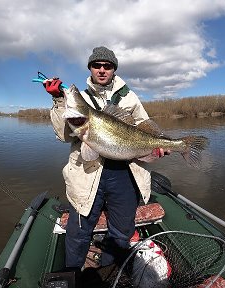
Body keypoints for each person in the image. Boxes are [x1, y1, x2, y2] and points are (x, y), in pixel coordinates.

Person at [43, 46, 168, 273]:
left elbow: (146, 128)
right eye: (96, 65)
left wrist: (158, 147)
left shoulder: (129, 97)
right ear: (90, 68)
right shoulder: (81, 100)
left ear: (114, 69)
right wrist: (59, 101)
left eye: (107, 66)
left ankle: (108, 271)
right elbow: (63, 135)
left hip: (125, 173)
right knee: (79, 231)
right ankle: (74, 275)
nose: (102, 70)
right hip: (88, 172)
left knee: (121, 230)